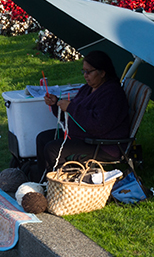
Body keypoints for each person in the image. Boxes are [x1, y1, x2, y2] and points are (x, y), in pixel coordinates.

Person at [31, 50, 131, 182]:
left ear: (102, 73)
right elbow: (73, 118)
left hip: (103, 145)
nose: (85, 75)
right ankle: (43, 181)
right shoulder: (87, 89)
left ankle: (61, 186)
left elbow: (99, 125)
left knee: (53, 148)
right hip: (84, 136)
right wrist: (56, 104)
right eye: (83, 71)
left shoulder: (112, 94)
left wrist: (71, 107)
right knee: (43, 138)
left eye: (89, 72)